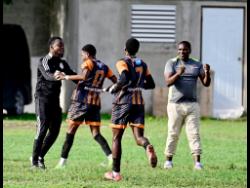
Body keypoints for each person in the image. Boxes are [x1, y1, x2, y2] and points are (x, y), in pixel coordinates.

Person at [54, 44, 117, 168]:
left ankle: (62, 162)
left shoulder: (88, 63)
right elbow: (115, 80)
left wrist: (65, 76)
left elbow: (83, 77)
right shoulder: (104, 66)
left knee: (71, 130)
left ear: (87, 54)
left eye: (82, 54)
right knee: (96, 134)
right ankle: (111, 158)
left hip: (81, 101)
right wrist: (112, 88)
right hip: (94, 103)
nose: (82, 56)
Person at [104, 37, 157, 182]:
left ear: (125, 49)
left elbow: (124, 78)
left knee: (116, 138)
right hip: (138, 102)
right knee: (139, 137)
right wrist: (138, 86)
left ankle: (116, 173)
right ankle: (147, 146)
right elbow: (151, 84)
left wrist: (114, 87)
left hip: (124, 102)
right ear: (137, 50)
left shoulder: (121, 62)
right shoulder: (143, 64)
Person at [163, 41, 211, 170]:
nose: (181, 52)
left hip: (192, 105)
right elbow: (167, 82)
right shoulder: (172, 63)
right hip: (175, 105)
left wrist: (207, 72)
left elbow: (206, 83)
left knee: (194, 133)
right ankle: (168, 161)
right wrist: (178, 73)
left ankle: (197, 163)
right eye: (179, 50)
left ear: (189, 50)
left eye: (184, 50)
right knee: (173, 133)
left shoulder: (196, 64)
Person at [31, 36, 77, 169]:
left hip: (54, 102)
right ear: (52, 47)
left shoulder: (62, 63)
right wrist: (56, 76)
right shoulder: (44, 61)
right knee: (42, 129)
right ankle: (34, 162)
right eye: (59, 46)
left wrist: (87, 82)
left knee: (55, 131)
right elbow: (47, 75)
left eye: (63, 46)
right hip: (42, 100)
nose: (62, 48)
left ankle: (40, 157)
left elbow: (73, 76)